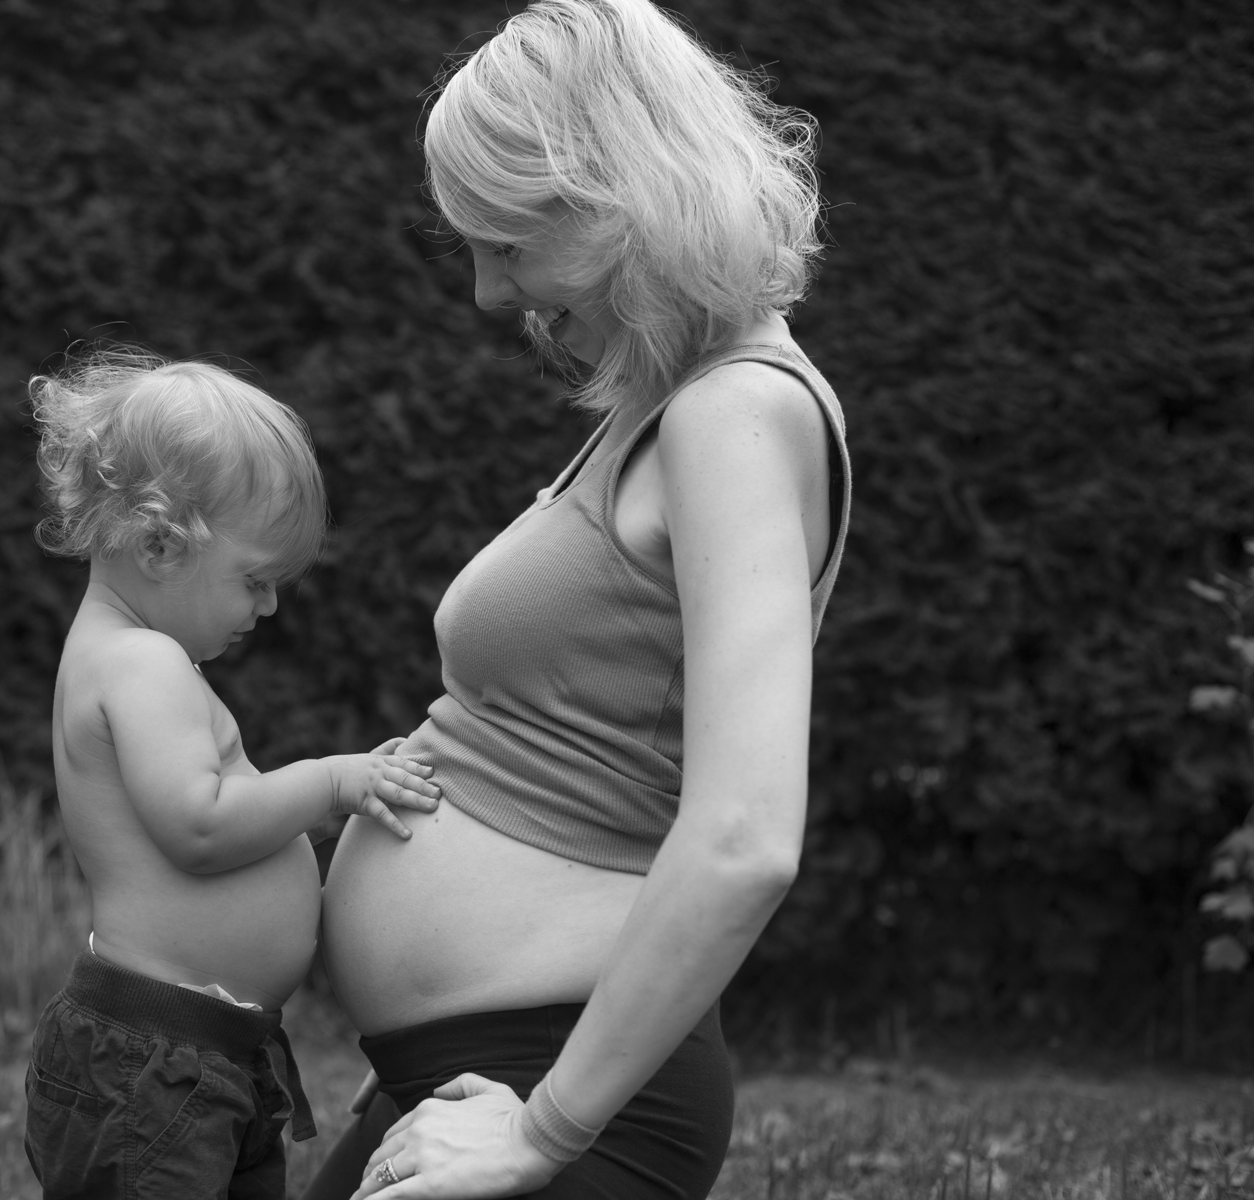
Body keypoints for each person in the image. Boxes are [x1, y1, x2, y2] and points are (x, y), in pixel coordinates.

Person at [302, 1, 848, 1196]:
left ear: (623, 198)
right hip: (478, 1070)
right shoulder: (674, 405)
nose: (487, 293)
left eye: (506, 244)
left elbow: (746, 838)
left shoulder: (736, 414)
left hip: (567, 1090)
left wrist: (543, 1133)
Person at [22, 349, 444, 1200]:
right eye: (255, 580)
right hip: (155, 1064)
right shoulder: (142, 664)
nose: (270, 605)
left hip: (196, 1051)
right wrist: (332, 784)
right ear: (159, 544)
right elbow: (201, 826)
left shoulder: (120, 654)